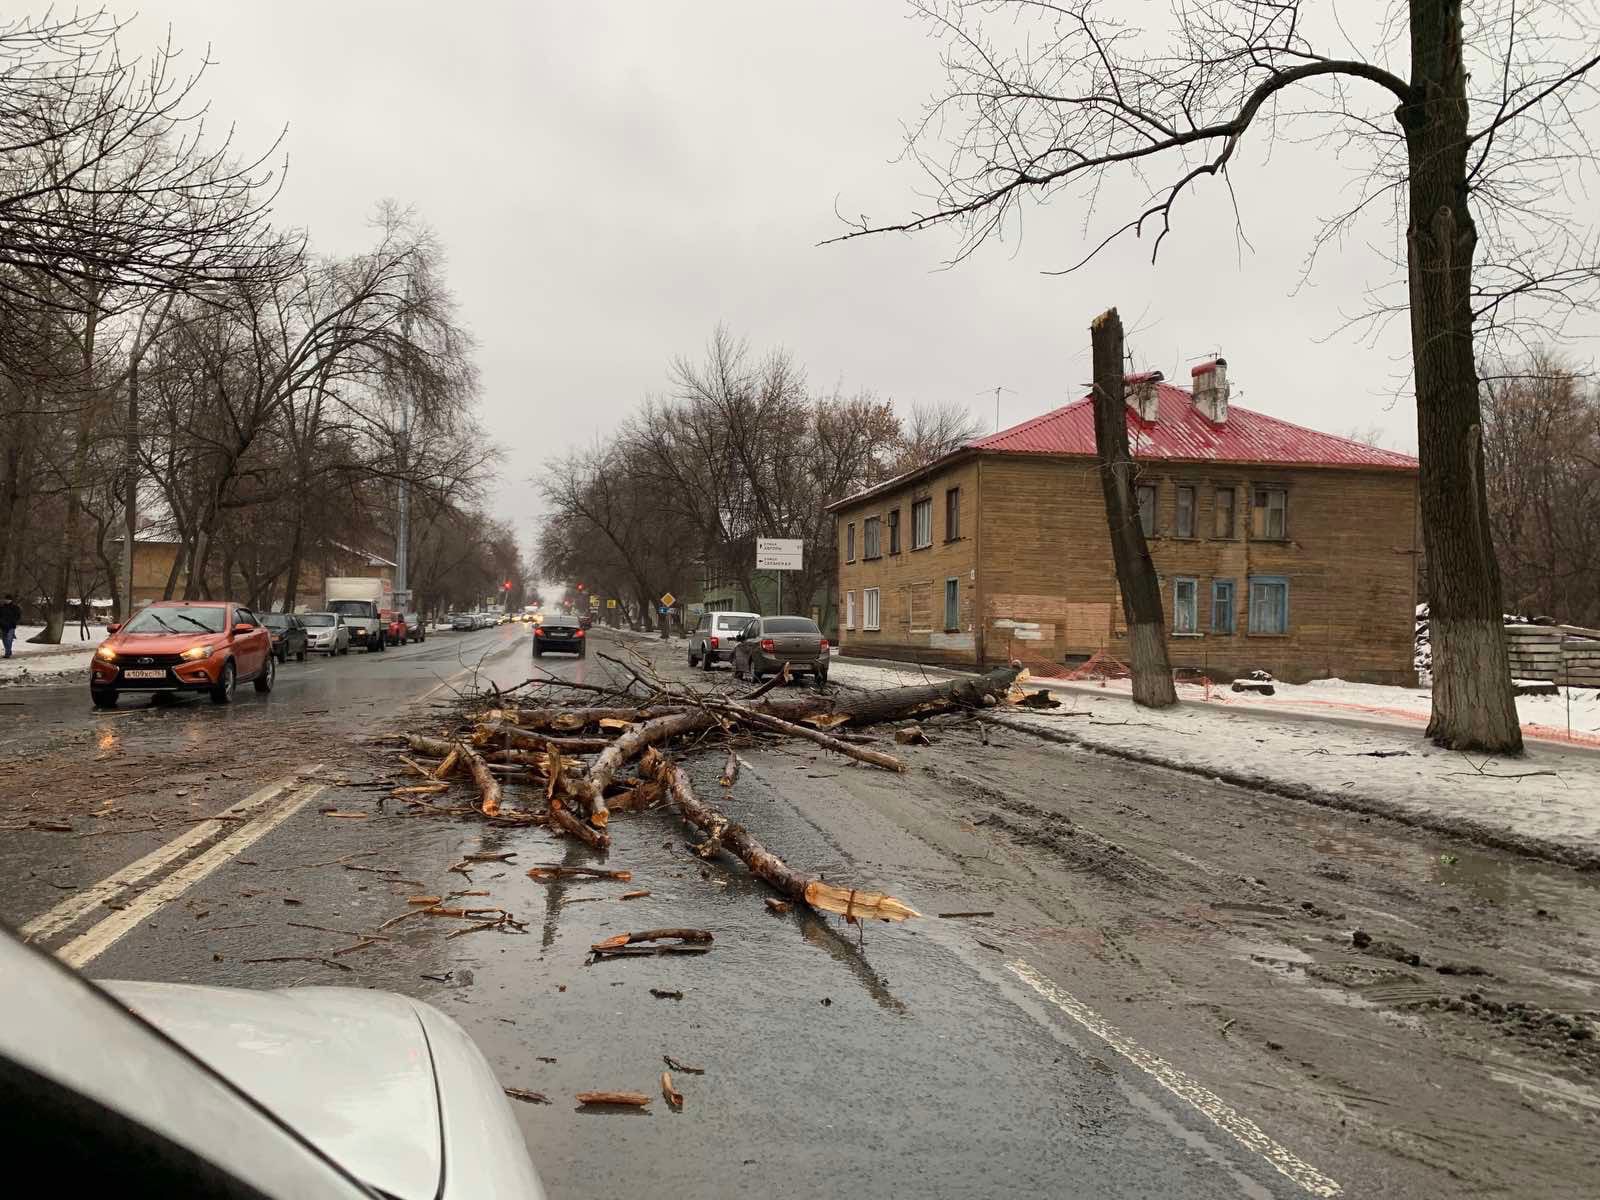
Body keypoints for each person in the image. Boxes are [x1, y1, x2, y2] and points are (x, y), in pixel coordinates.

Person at [0, 594, 21, 659]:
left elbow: (18, 615)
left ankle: (7, 653)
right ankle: (9, 651)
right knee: (4, 639)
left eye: (8, 599)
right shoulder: (2, 607)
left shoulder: (15, 607)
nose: (6, 600)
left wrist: (14, 621)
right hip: (3, 625)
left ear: (11, 600)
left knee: (9, 639)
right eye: (6, 599)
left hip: (11, 625)